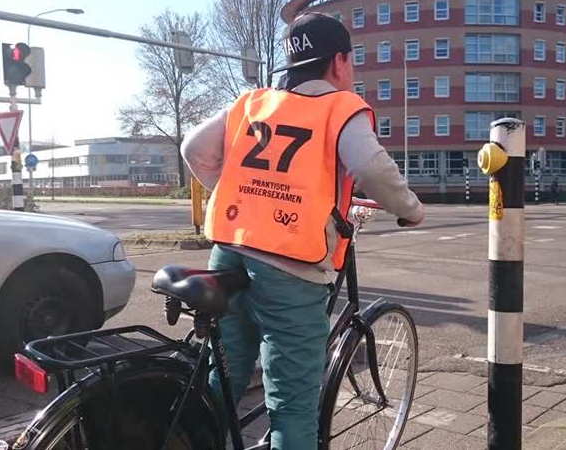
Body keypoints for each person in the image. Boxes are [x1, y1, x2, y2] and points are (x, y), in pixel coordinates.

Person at [180, 12, 424, 450]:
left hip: (229, 251)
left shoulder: (252, 103)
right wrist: (411, 209)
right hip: (290, 266)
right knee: (292, 406)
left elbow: (193, 149)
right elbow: (371, 167)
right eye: (352, 62)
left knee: (226, 372)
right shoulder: (340, 107)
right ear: (339, 62)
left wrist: (244, 196)